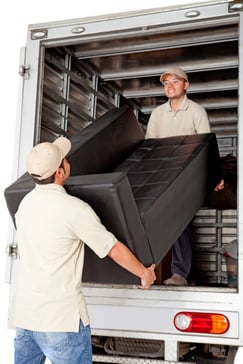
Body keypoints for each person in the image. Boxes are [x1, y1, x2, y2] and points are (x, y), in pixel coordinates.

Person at [13, 136, 156, 364]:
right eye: (65, 160)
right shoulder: (74, 209)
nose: (68, 161)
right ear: (59, 172)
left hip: (26, 320)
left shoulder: (24, 205)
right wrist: (144, 273)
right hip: (61, 321)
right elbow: (111, 248)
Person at [146, 66, 224, 287]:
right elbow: (150, 147)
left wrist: (214, 174)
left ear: (186, 85)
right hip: (162, 176)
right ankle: (147, 270)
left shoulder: (196, 111)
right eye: (166, 83)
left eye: (175, 82)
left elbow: (205, 145)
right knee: (156, 222)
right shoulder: (158, 114)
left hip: (186, 177)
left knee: (181, 224)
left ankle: (179, 273)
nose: (169, 86)